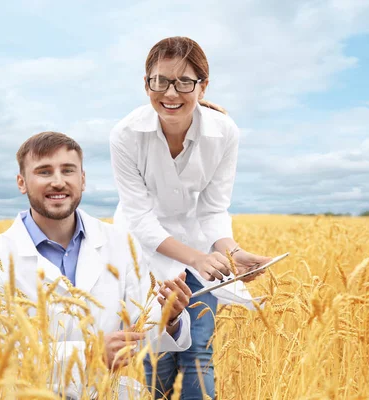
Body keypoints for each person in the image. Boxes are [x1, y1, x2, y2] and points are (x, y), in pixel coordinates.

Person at [0, 131, 193, 399]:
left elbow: (138, 328)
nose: (58, 182)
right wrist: (90, 352)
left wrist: (169, 319)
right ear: (22, 182)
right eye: (43, 172)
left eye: (68, 171)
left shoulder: (120, 243)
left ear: (83, 179)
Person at [109, 37, 273, 399]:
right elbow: (140, 217)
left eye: (184, 81)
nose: (171, 92)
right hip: (142, 252)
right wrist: (198, 258)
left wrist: (231, 252)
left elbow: (213, 207)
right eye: (160, 80)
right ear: (146, 83)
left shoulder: (224, 131)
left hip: (201, 252)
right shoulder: (125, 135)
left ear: (203, 85)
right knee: (157, 355)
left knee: (198, 351)